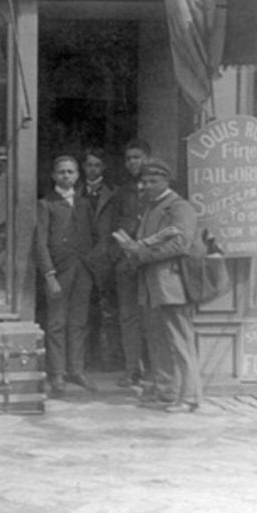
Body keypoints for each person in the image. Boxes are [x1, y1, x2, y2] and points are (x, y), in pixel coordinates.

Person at [116, 157, 202, 413]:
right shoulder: (151, 207)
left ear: (166, 181)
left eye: (153, 181)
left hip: (172, 285)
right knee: (158, 341)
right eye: (144, 181)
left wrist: (141, 253)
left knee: (180, 341)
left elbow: (181, 243)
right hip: (152, 285)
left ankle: (189, 397)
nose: (146, 186)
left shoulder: (179, 207)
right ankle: (167, 393)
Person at [34, 155, 97, 396]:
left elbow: (93, 236)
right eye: (61, 172)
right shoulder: (46, 204)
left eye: (71, 172)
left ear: (78, 175)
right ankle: (57, 373)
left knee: (79, 322)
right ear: (53, 176)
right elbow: (40, 242)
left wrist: (90, 263)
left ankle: (76, 370)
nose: (66, 176)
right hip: (59, 271)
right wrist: (49, 274)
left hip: (82, 271)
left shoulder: (83, 204)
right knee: (57, 322)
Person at [109, 138, 151, 389]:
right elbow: (114, 225)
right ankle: (132, 369)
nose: (132, 162)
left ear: (147, 158)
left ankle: (153, 372)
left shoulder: (160, 188)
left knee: (151, 317)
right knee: (128, 317)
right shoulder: (122, 192)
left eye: (137, 157)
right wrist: (120, 254)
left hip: (151, 262)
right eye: (128, 159)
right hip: (126, 262)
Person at [79, 147, 119, 373]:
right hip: (82, 259)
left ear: (103, 167)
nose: (92, 169)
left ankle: (108, 359)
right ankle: (84, 361)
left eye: (97, 165)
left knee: (107, 312)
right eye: (88, 165)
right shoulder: (75, 192)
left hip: (105, 259)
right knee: (83, 310)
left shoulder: (114, 193)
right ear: (83, 167)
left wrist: (111, 252)